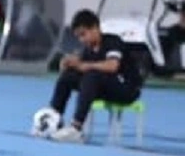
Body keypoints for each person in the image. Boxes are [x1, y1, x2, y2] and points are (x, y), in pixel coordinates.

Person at [44, 9, 143, 143]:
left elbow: (112, 66)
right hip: (105, 86)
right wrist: (70, 65)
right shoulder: (88, 50)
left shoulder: (113, 41)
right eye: (78, 37)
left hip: (126, 87)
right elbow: (82, 67)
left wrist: (84, 65)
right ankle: (53, 118)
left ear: (95, 28)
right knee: (68, 77)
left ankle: (76, 128)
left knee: (92, 75)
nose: (81, 40)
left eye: (83, 35)